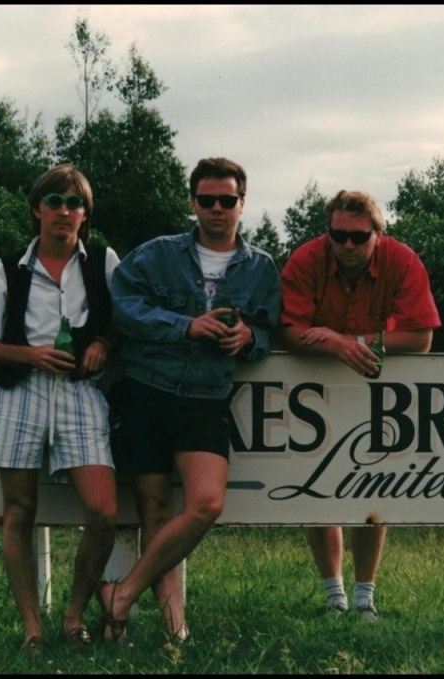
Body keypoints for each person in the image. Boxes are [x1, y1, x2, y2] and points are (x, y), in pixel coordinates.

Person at [100, 157, 281, 648]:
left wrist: (249, 338)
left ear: (242, 203)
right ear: (193, 203)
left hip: (205, 398)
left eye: (227, 200)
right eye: (207, 200)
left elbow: (271, 329)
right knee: (155, 512)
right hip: (146, 390)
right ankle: (175, 628)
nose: (217, 209)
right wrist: (185, 325)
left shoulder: (261, 267)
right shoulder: (155, 254)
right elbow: (124, 310)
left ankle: (121, 592)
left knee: (205, 504)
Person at [0, 164, 121, 653]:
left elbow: (128, 321)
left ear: (85, 214)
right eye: (55, 202)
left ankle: (74, 617)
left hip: (79, 393)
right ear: (37, 209)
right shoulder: (9, 268)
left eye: (75, 203)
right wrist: (31, 355)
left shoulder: (103, 262)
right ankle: (33, 629)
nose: (64, 211)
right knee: (19, 512)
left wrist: (105, 344)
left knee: (103, 511)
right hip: (20, 393)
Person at [275, 189, 441, 622]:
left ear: (378, 234)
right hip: (314, 382)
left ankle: (365, 597)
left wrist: (354, 342)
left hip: (376, 381)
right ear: (327, 232)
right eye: (338, 235)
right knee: (316, 485)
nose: (347, 245)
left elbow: (421, 337)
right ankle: (335, 597)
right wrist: (334, 344)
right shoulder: (305, 260)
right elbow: (288, 331)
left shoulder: (402, 260)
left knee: (372, 486)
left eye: (359, 237)